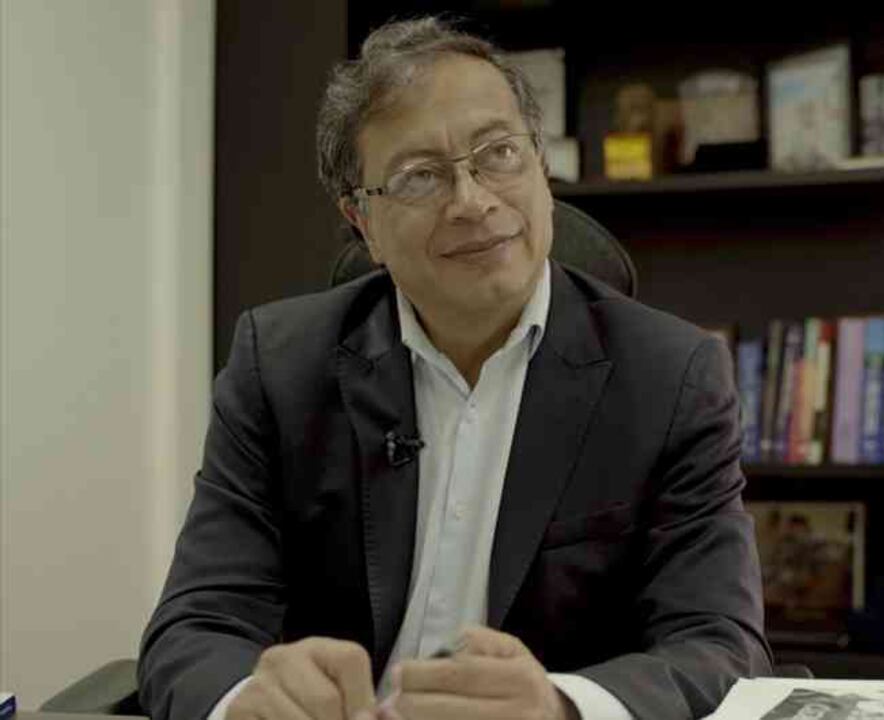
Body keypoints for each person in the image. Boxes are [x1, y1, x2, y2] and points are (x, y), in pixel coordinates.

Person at [137, 15, 771, 720]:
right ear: (363, 223)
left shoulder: (672, 375)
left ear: (541, 166)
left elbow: (721, 646)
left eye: (499, 153)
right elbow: (194, 629)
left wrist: (561, 707)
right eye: (419, 178)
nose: (472, 201)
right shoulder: (278, 367)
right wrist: (251, 701)